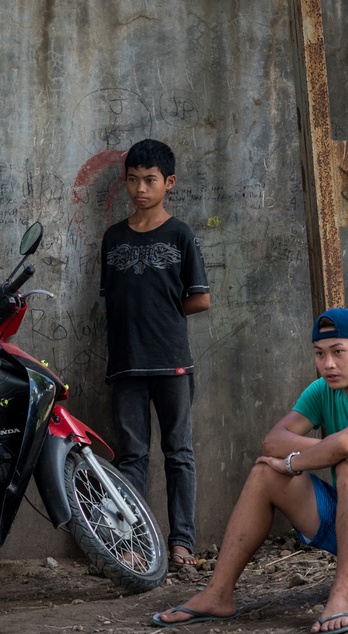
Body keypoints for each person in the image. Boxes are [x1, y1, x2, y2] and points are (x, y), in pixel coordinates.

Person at [153, 308, 348, 634]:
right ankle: (217, 595)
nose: (328, 364)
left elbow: (340, 447)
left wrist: (305, 460)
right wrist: (334, 444)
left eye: (339, 352)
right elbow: (273, 441)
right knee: (265, 473)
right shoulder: (322, 390)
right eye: (320, 354)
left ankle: (342, 597)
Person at [99, 139, 210, 569]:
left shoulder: (180, 234)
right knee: (131, 457)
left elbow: (200, 299)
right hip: (125, 363)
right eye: (133, 179)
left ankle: (182, 543)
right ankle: (133, 544)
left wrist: (163, 312)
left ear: (169, 183)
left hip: (172, 362)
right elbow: (112, 298)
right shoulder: (113, 238)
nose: (140, 188)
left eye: (150, 180)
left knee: (178, 452)